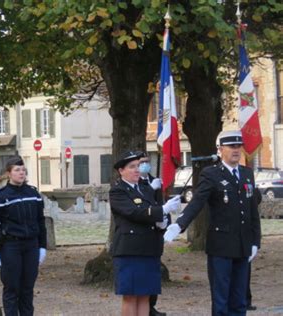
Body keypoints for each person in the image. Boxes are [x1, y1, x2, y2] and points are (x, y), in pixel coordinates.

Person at [164, 130, 261, 316]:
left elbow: (252, 211)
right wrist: (179, 224)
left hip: (243, 245)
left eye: (238, 146)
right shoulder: (212, 174)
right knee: (221, 301)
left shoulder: (247, 173)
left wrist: (256, 240)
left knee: (240, 300)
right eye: (231, 146)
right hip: (221, 246)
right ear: (220, 149)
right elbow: (198, 201)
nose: (236, 150)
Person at [110, 151, 181, 316]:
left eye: (138, 166)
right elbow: (135, 213)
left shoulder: (145, 188)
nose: (137, 170)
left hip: (150, 248)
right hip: (130, 250)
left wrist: (162, 222)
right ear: (121, 171)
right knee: (130, 296)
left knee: (144, 296)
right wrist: (162, 210)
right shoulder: (118, 191)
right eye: (132, 167)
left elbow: (154, 210)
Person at [0, 156, 47, 316]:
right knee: (12, 288)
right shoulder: (1, 196)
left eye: (23, 170)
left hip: (31, 246)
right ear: (9, 173)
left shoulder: (33, 193)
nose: (21, 173)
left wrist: (42, 246)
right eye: (17, 170)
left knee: (27, 289)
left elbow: (41, 221)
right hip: (10, 246)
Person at [138, 154, 167, 316]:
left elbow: (161, 204)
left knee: (154, 271)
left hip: (156, 231)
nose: (145, 165)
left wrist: (165, 222)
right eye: (142, 163)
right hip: (143, 232)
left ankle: (152, 305)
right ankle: (145, 306)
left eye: (147, 162)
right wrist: (151, 189)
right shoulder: (136, 184)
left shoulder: (155, 180)